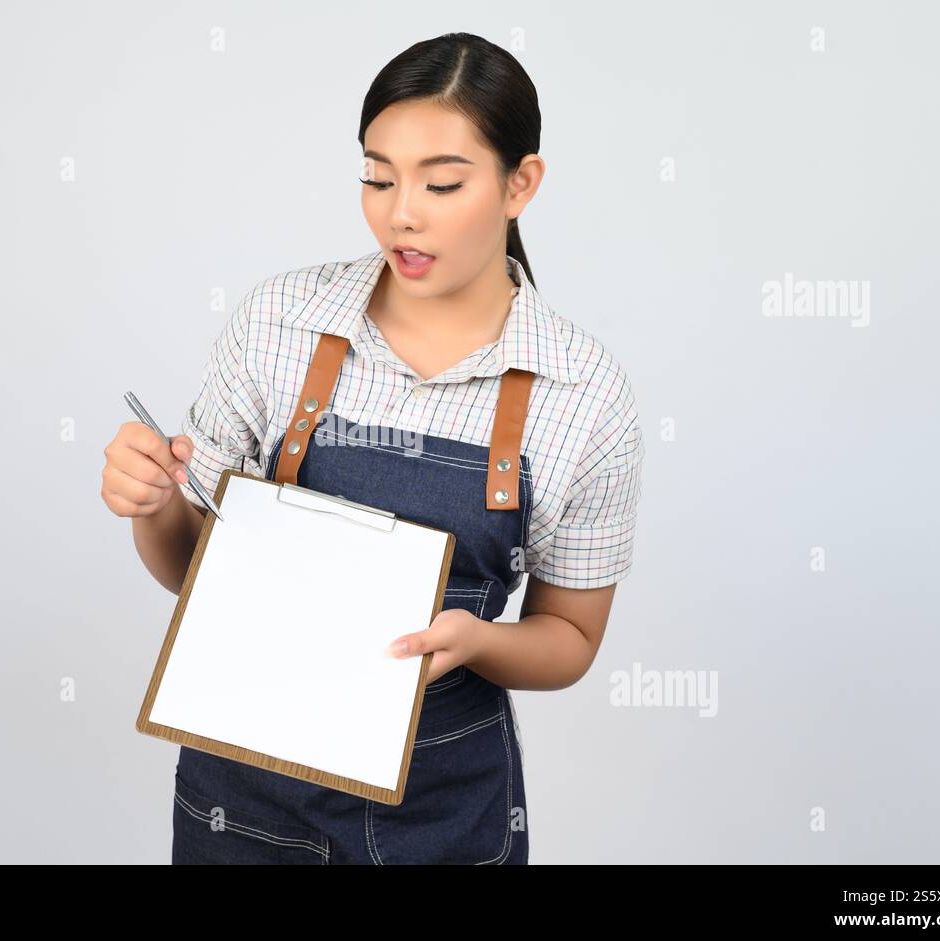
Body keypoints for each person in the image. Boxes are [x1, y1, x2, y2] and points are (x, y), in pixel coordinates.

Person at [101, 32, 645, 864]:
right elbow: (188, 570)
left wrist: (477, 641)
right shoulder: (279, 322)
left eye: (443, 181)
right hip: (241, 801)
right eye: (378, 176)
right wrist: (154, 502)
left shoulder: (584, 393)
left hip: (443, 816)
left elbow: (568, 636)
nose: (402, 212)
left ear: (519, 184)